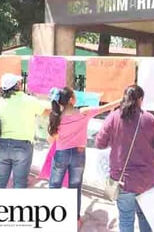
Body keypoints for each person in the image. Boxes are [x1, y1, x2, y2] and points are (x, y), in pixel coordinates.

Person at [47, 87, 120, 226]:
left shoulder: (56, 116)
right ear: (71, 100)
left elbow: (50, 140)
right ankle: (75, 220)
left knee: (54, 186)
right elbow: (106, 107)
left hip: (61, 154)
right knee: (75, 187)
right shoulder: (83, 112)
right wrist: (123, 99)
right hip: (78, 155)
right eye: (74, 96)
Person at [95, 85, 154, 232]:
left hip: (122, 180)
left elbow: (99, 143)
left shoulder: (113, 117)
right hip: (147, 179)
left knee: (126, 219)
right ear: (140, 100)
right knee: (145, 216)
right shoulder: (149, 119)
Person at [0, 73, 50, 188]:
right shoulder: (29, 100)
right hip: (22, 146)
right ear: (17, 85)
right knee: (20, 182)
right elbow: (45, 111)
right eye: (20, 83)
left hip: (0, 145)